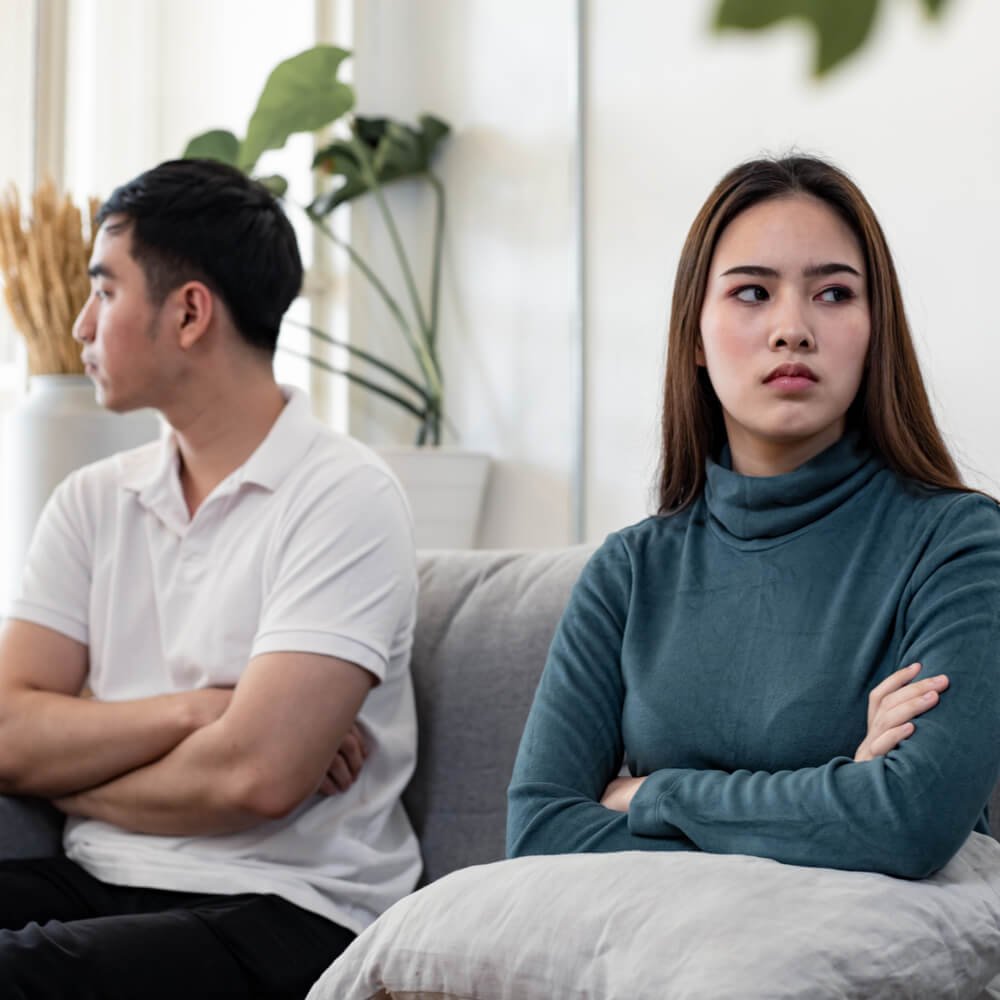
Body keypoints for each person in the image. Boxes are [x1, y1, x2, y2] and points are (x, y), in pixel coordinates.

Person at [507, 154, 1000, 878]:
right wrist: (837, 792)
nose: (792, 329)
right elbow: (539, 832)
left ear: (876, 330)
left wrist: (651, 794)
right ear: (695, 338)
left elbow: (907, 822)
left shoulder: (959, 544)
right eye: (751, 293)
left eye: (833, 294)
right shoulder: (629, 571)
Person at [0, 158, 420, 998]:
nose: (81, 324)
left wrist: (75, 765)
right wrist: (202, 712)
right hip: (98, 877)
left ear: (189, 311)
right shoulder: (91, 501)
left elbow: (253, 779)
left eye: (106, 291)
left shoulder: (344, 494)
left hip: (287, 908)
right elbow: (8, 733)